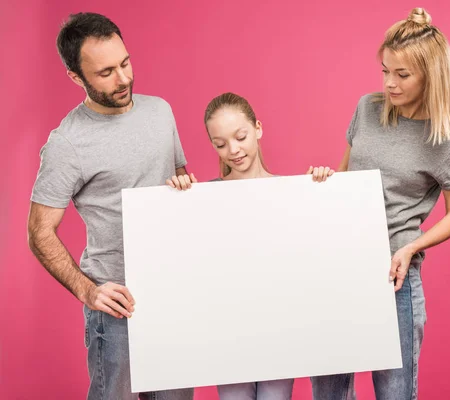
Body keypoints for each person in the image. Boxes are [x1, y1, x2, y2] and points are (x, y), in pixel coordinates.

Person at [27, 12, 194, 400]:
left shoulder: (160, 112)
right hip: (117, 306)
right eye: (105, 73)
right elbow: (38, 232)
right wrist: (88, 291)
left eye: (125, 63)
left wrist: (187, 187)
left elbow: (179, 182)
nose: (123, 79)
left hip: (173, 293)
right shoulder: (67, 143)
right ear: (76, 77)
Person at [310, 7, 450, 400]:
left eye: (402, 75)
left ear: (429, 76)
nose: (389, 84)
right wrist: (325, 179)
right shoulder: (367, 109)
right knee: (328, 392)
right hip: (340, 269)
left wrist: (411, 246)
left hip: (393, 278)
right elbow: (347, 175)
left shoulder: (447, 140)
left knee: (395, 394)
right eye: (385, 71)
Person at [167, 92, 333, 399]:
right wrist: (177, 197)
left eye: (240, 137)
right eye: (220, 144)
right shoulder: (203, 198)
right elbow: (185, 263)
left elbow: (314, 257)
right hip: (227, 333)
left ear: (257, 128)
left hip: (280, 331)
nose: (233, 150)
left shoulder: (291, 192)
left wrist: (323, 189)